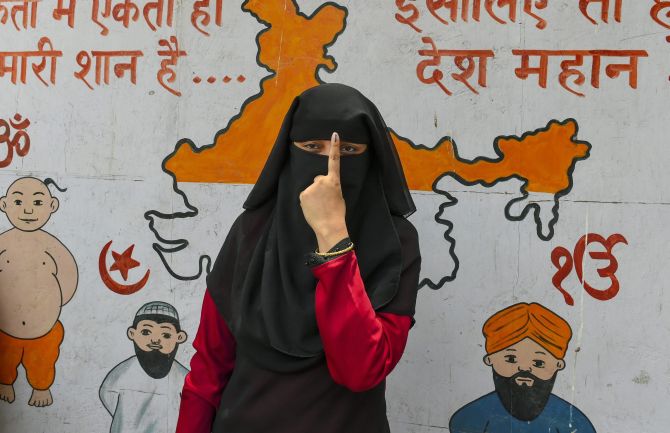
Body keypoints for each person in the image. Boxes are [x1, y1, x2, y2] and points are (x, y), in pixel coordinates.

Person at [176, 83, 421, 433]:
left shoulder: (395, 244)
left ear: (370, 158)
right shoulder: (253, 231)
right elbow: (209, 368)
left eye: (348, 150)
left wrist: (333, 239)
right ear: (289, 152)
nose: (328, 170)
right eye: (311, 148)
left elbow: (361, 370)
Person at [449, 302, 596, 433]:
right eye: (511, 359)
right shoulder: (472, 416)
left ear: (558, 365)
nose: (524, 368)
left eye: (538, 363)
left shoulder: (573, 421)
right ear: (490, 360)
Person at [0, 177, 78, 407]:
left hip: (44, 328)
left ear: (52, 206)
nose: (27, 209)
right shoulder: (4, 241)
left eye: (37, 202)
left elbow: (68, 276)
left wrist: (51, 304)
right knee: (5, 358)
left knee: (43, 361)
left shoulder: (50, 245)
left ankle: (41, 388)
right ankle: (5, 383)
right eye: (18, 202)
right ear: (4, 205)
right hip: (6, 328)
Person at [100, 301, 189, 433]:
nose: (155, 340)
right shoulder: (124, 371)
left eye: (166, 335)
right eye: (146, 332)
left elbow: (193, 404)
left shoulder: (182, 376)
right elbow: (107, 393)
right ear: (132, 334)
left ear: (179, 337)